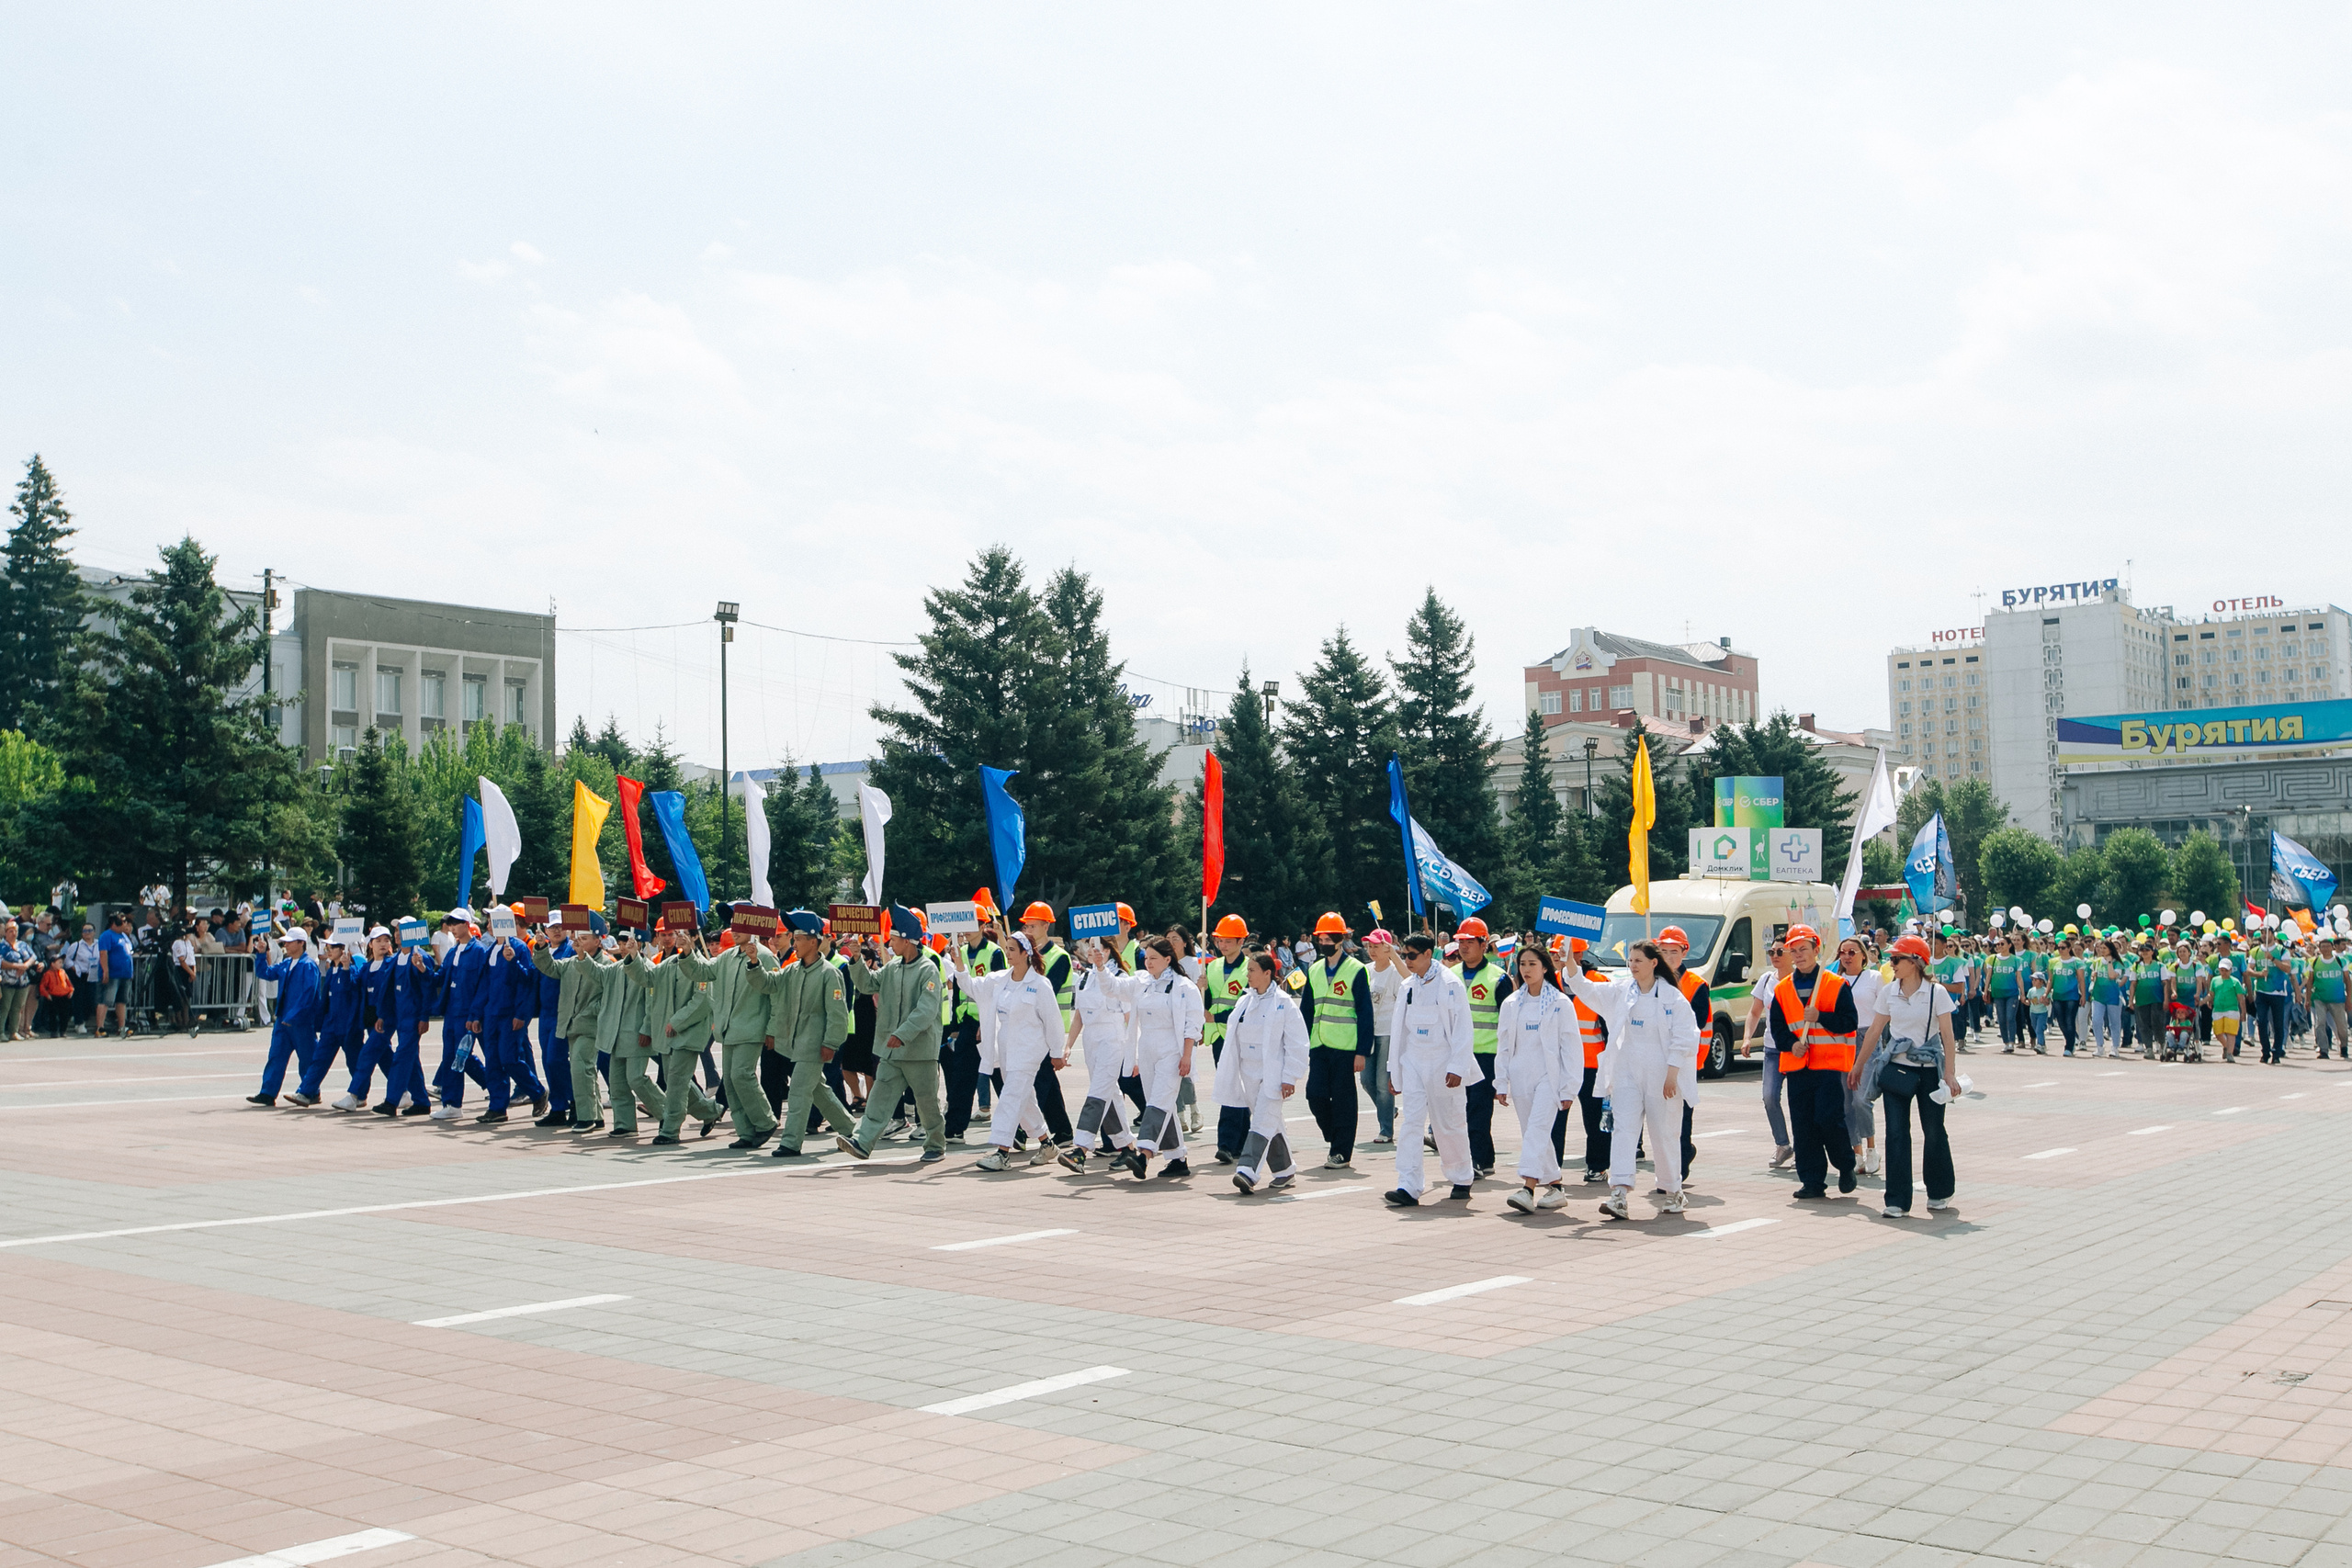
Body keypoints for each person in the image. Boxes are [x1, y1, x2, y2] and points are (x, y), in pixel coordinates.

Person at [1566, 939, 1702, 1220]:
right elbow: (1584, 988)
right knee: (1624, 1131)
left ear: (1654, 963)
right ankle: (1619, 1193)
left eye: (1638, 960)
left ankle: (1673, 1190)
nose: (1632, 966)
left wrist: (1672, 1074)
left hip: (1662, 1076)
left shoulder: (1672, 998)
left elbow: (1686, 1036)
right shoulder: (1621, 991)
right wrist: (1568, 953)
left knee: (1664, 1135)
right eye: (1630, 960)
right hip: (1627, 1073)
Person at [1852, 935, 1962, 1217]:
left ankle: (1939, 1191)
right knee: (1897, 1133)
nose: (1893, 964)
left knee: (1934, 1131)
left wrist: (1949, 1074)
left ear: (1915, 962)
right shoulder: (1889, 992)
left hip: (1928, 1071)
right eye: (1891, 959)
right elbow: (1875, 1031)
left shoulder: (1936, 993)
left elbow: (1948, 1036)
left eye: (1897, 959)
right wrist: (1858, 1066)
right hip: (1896, 1070)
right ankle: (1897, 1200)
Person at [839, 906, 948, 1165]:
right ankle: (863, 1143)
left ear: (908, 940)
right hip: (891, 1051)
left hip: (919, 1052)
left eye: (894, 939)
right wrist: (855, 959)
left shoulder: (927, 969)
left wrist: (903, 1034)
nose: (889, 943)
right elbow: (867, 984)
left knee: (927, 1103)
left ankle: (935, 1144)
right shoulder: (893, 968)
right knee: (878, 1099)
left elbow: (926, 1010)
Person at [953, 925, 1066, 1172]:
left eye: (1012, 949)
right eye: (1006, 949)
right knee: (1023, 1099)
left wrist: (1057, 1053)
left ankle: (1002, 1152)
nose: (1008, 954)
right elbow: (972, 987)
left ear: (1026, 953)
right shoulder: (999, 980)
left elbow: (1053, 1021)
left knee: (1011, 1097)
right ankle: (1047, 1144)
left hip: (1029, 1052)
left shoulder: (1040, 985)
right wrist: (960, 967)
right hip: (1006, 1051)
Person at [1382, 933, 1478, 1208]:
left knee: (1448, 1123)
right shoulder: (1407, 987)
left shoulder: (1450, 984)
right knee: (1411, 1122)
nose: (1407, 961)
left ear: (1428, 954)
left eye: (1412, 955)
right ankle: (1408, 1185)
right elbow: (1399, 1031)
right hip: (1413, 1060)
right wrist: (1395, 1071)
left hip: (1443, 1061)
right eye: (1404, 954)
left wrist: (1458, 1066)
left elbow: (1463, 1027)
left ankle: (1461, 1177)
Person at [1765, 925, 1860, 1203]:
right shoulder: (1782, 990)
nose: (1798, 955)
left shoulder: (1835, 984)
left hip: (1829, 1066)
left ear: (1817, 950)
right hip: (1797, 1067)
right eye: (1793, 950)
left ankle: (1845, 1165)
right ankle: (1812, 1180)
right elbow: (1778, 1029)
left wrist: (1820, 1016)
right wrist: (1791, 1044)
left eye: (1803, 949)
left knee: (1829, 1119)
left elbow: (1849, 1022)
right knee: (1803, 1125)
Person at [668, 925, 783, 1148]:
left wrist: (773, 1029)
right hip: (729, 1028)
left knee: (742, 1075)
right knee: (730, 1083)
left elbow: (776, 994)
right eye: (734, 926)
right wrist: (689, 952)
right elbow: (702, 972)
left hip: (752, 1026)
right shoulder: (727, 956)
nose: (735, 931)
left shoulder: (766, 956)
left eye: (741, 927)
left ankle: (766, 1121)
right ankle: (746, 1132)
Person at [1493, 942, 1576, 1214]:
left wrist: (1569, 1087)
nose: (1526, 970)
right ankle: (1556, 1187)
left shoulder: (1560, 1003)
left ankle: (1527, 1188)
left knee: (1538, 1129)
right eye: (1523, 964)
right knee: (1533, 1132)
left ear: (1544, 968)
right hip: (1520, 1077)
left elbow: (1571, 1047)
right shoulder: (1511, 1003)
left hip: (1549, 1079)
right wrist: (1501, 1081)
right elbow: (1504, 1045)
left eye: (1532, 964)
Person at [1218, 950, 1309, 1195]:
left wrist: (1290, 1076)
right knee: (1270, 1122)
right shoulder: (1244, 1001)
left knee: (1261, 1121)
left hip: (1273, 1074)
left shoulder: (1284, 1003)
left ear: (1267, 973)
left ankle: (1247, 1171)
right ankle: (1285, 1170)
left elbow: (1297, 1043)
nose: (1247, 974)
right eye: (1247, 969)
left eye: (1252, 970)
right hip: (1248, 1072)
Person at [626, 918, 725, 1144]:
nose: (675, 937)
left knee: (677, 1082)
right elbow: (646, 978)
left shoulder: (702, 965)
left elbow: (702, 1001)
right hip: (669, 1034)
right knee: (676, 1080)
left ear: (693, 937)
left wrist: (676, 1022)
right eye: (669, 933)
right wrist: (633, 956)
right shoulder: (669, 964)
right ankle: (711, 1111)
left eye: (681, 933)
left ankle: (670, 1130)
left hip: (688, 1033)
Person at [1113, 936, 1204, 1179]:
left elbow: (1193, 1025)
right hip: (1148, 1050)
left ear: (1168, 959)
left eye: (1154, 958)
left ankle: (1144, 1153)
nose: (1148, 962)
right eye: (1146, 958)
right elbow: (1114, 988)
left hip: (1172, 1052)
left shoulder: (1185, 987)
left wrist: (1186, 1056)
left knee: (1159, 1102)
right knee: (1162, 1103)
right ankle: (1178, 1158)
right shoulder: (1141, 982)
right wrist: (1100, 968)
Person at [1301, 913, 1375, 1169]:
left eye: (1328, 938)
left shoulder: (1356, 970)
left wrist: (1362, 1052)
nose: (1323, 942)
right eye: (1320, 938)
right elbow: (1306, 1011)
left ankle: (1341, 1151)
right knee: (1315, 1095)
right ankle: (1334, 1135)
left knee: (1344, 1100)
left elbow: (1366, 1013)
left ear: (1341, 939)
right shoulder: (1314, 969)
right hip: (1318, 1045)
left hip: (1346, 1047)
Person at [1057, 936, 1137, 1172]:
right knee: (1109, 1095)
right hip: (1091, 1040)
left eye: (1098, 948)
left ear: (1109, 952)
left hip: (1112, 1040)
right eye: (1090, 947)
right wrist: (1069, 1044)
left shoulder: (1120, 979)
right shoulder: (1084, 978)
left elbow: (1129, 1019)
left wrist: (1134, 1054)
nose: (1092, 952)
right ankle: (1127, 1148)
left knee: (1097, 1093)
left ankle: (1080, 1150)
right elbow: (1080, 1015)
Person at [532, 915, 611, 1132]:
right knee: (587, 1070)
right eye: (579, 938)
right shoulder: (571, 962)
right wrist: (540, 948)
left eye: (585, 938)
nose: (580, 942)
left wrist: (587, 1013)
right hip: (572, 1025)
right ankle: (596, 1115)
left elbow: (606, 996)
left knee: (580, 1068)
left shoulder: (606, 963)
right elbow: (550, 968)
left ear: (598, 941)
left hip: (590, 1025)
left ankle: (585, 1117)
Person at [1448, 917, 1513, 1179]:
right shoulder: (1449, 976)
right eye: (1460, 942)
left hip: (1487, 1055)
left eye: (1469, 942)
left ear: (1484, 944)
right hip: (1457, 1055)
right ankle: (1482, 1159)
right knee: (1458, 1109)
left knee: (1478, 1109)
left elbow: (1509, 1023)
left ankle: (1477, 1160)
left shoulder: (1499, 978)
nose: (1464, 947)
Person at [1656, 927, 1713, 1184]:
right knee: (1659, 1119)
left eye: (1674, 952)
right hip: (1655, 1061)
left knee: (1681, 1117)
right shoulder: (1651, 982)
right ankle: (1673, 1164)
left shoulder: (1696, 986)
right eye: (1664, 951)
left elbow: (1697, 1024)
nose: (1669, 957)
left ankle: (1677, 1171)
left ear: (1684, 952)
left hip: (1686, 1063)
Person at [246, 927, 322, 1107]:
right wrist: (261, 954)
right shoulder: (287, 964)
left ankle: (311, 1091)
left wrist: (295, 1015)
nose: (286, 945)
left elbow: (309, 994)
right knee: (276, 1056)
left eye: (289, 942)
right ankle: (267, 1093)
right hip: (283, 1020)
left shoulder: (308, 965)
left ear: (301, 943)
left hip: (302, 1022)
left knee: (307, 1058)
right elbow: (265, 973)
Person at [1201, 915, 1253, 1160]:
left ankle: (1227, 1143)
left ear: (1242, 940)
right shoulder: (1211, 967)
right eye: (1220, 940)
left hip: (1241, 1035)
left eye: (1229, 941)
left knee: (1234, 1087)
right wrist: (1202, 990)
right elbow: (1208, 1001)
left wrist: (1217, 1016)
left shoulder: (1250, 968)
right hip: (1219, 1037)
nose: (1223, 945)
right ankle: (1239, 1142)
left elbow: (1248, 1007)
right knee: (1232, 1088)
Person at [1741, 938, 1796, 1168]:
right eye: (1771, 951)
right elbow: (1755, 1012)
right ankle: (1783, 1144)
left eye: (1779, 951)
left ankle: (1803, 1147)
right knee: (1770, 1097)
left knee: (1798, 1102)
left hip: (1796, 1049)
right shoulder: (1766, 980)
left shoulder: (1799, 980)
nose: (1774, 955)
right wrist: (1746, 1038)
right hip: (1772, 1048)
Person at [1360, 931, 1401, 1145]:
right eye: (1369, 946)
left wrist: (1395, 956)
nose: (1371, 950)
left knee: (1383, 1084)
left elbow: (1409, 983)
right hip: (1368, 1033)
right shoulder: (1365, 971)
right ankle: (1388, 1109)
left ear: (1387, 947)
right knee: (1366, 1081)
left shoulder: (1395, 972)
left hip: (1387, 1032)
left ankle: (1386, 1129)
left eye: (1376, 946)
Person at [96, 910, 136, 1039]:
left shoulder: (124, 936)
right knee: (106, 1000)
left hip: (124, 973)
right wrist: (105, 970)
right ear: (114, 923)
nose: (125, 924)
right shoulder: (107, 936)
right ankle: (100, 1028)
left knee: (122, 1001)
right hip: (113, 973)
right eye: (122, 921)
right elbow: (103, 953)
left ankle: (121, 1027)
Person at [2309, 937, 2348, 1061]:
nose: (2325, 949)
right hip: (2319, 998)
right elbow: (2310, 981)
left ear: (2333, 948)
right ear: (2319, 949)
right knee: (2320, 1023)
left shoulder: (2340, 961)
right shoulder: (2314, 962)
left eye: (2328, 946)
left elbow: (2347, 980)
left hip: (2337, 998)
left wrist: (2349, 998)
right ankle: (2323, 1049)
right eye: (2323, 947)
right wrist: (2307, 999)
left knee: (2341, 1025)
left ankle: (2344, 1046)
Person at [0, 919, 33, 1041]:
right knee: (5, 1008)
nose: (13, 933)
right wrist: (16, 966)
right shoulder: (2, 946)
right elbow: (1, 963)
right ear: (6, 932)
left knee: (18, 1007)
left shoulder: (22, 945)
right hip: (7, 982)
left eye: (15, 931)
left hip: (22, 982)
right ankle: (1, 1032)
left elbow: (32, 957)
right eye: (10, 931)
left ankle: (14, 1032)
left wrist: (26, 966)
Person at [2209, 957, 2245, 1062]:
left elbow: (2240, 998)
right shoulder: (2215, 980)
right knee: (2217, 1032)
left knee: (2231, 1033)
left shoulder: (2235, 982)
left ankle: (2230, 1053)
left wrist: (2243, 1012)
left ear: (2230, 970)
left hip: (2232, 1009)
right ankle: (2226, 1046)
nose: (2223, 972)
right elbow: (2211, 994)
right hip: (2218, 1009)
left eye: (2226, 970)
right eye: (2221, 970)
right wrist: (2207, 1001)